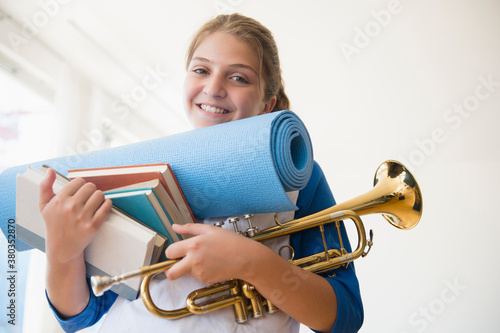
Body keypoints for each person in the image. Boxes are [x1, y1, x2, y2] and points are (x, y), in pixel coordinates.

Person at [39, 13, 363, 333]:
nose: (213, 87)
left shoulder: (299, 179)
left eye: (239, 78)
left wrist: (252, 262)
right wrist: (61, 254)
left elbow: (344, 316)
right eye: (201, 70)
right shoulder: (142, 170)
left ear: (268, 104)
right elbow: (83, 314)